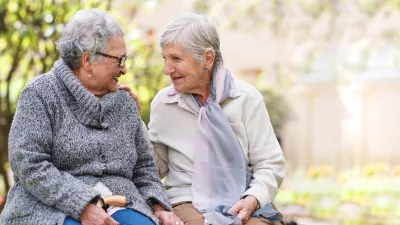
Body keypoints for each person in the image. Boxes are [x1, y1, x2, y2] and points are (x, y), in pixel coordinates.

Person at [0, 9, 182, 225]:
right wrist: (82, 205)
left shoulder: (124, 103)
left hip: (123, 202)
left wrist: (159, 207)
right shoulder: (40, 94)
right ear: (87, 60)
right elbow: (29, 163)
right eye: (119, 59)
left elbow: (143, 167)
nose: (124, 69)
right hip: (51, 206)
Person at [145, 13, 286, 225]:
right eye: (165, 58)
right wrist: (135, 124)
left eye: (176, 59)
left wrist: (253, 198)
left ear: (207, 59)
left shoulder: (246, 99)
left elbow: (269, 163)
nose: (167, 69)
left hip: (244, 198)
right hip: (186, 201)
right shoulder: (164, 104)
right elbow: (155, 169)